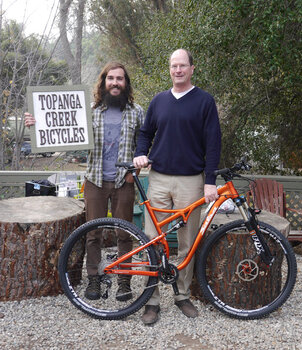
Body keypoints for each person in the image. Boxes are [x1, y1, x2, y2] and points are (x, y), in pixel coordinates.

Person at [25, 62, 144, 302]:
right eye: (111, 78)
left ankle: (123, 281)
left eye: (120, 79)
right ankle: (94, 280)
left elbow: (144, 143)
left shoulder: (137, 111)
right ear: (103, 82)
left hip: (124, 181)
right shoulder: (89, 111)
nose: (115, 83)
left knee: (124, 234)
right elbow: (60, 127)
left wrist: (136, 171)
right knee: (93, 234)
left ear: (126, 83)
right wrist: (37, 124)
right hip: (95, 182)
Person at [133, 49, 221, 325]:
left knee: (187, 241)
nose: (178, 70)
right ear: (169, 69)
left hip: (191, 180)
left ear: (192, 68)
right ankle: (152, 301)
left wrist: (210, 181)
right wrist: (140, 152)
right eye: (174, 66)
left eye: (183, 65)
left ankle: (182, 295)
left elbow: (213, 142)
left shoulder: (205, 101)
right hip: (157, 178)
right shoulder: (159, 101)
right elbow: (145, 132)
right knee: (152, 241)